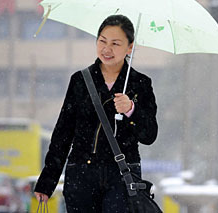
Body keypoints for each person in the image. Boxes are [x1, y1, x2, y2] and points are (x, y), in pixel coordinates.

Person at [34, 14, 158, 212]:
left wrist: (131, 111)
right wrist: (47, 181)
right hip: (81, 174)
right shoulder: (81, 80)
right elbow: (63, 134)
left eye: (116, 44)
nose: (107, 49)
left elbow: (149, 135)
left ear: (130, 47)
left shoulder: (140, 83)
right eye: (102, 41)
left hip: (122, 175)